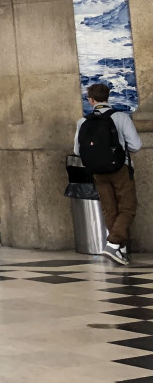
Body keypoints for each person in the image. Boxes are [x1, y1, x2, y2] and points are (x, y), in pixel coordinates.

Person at [75, 82, 142, 265]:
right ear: (108, 97)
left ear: (91, 100)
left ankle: (120, 249)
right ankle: (113, 244)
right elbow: (136, 145)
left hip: (97, 171)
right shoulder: (121, 117)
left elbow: (77, 149)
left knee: (109, 209)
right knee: (127, 207)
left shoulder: (83, 122)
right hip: (121, 169)